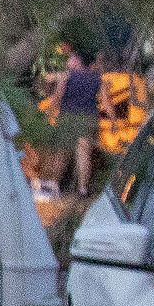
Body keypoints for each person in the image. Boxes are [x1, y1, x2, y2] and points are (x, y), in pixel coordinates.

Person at [54, 39, 106, 200]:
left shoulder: (67, 76)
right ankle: (82, 189)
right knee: (84, 154)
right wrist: (112, 121)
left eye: (73, 58)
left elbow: (58, 95)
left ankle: (54, 185)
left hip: (68, 117)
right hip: (88, 117)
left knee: (62, 152)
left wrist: (48, 112)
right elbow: (105, 101)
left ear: (78, 61)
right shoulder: (97, 78)